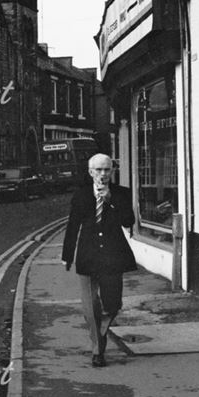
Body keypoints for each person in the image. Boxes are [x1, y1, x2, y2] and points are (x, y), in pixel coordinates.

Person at [61, 153, 137, 367]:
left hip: (113, 256)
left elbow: (128, 221)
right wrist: (67, 256)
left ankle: (101, 333)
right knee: (90, 306)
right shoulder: (81, 195)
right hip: (87, 255)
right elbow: (72, 225)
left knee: (113, 303)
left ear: (112, 171)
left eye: (107, 170)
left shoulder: (121, 194)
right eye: (99, 170)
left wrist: (110, 200)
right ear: (91, 172)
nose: (103, 174)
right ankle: (98, 350)